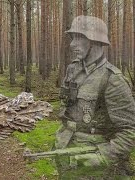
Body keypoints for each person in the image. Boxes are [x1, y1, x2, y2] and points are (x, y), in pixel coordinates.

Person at [56, 15, 135, 179]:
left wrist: (102, 157)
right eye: (72, 38)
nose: (72, 44)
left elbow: (130, 131)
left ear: (95, 41)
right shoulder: (72, 70)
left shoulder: (112, 79)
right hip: (67, 153)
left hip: (97, 168)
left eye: (79, 38)